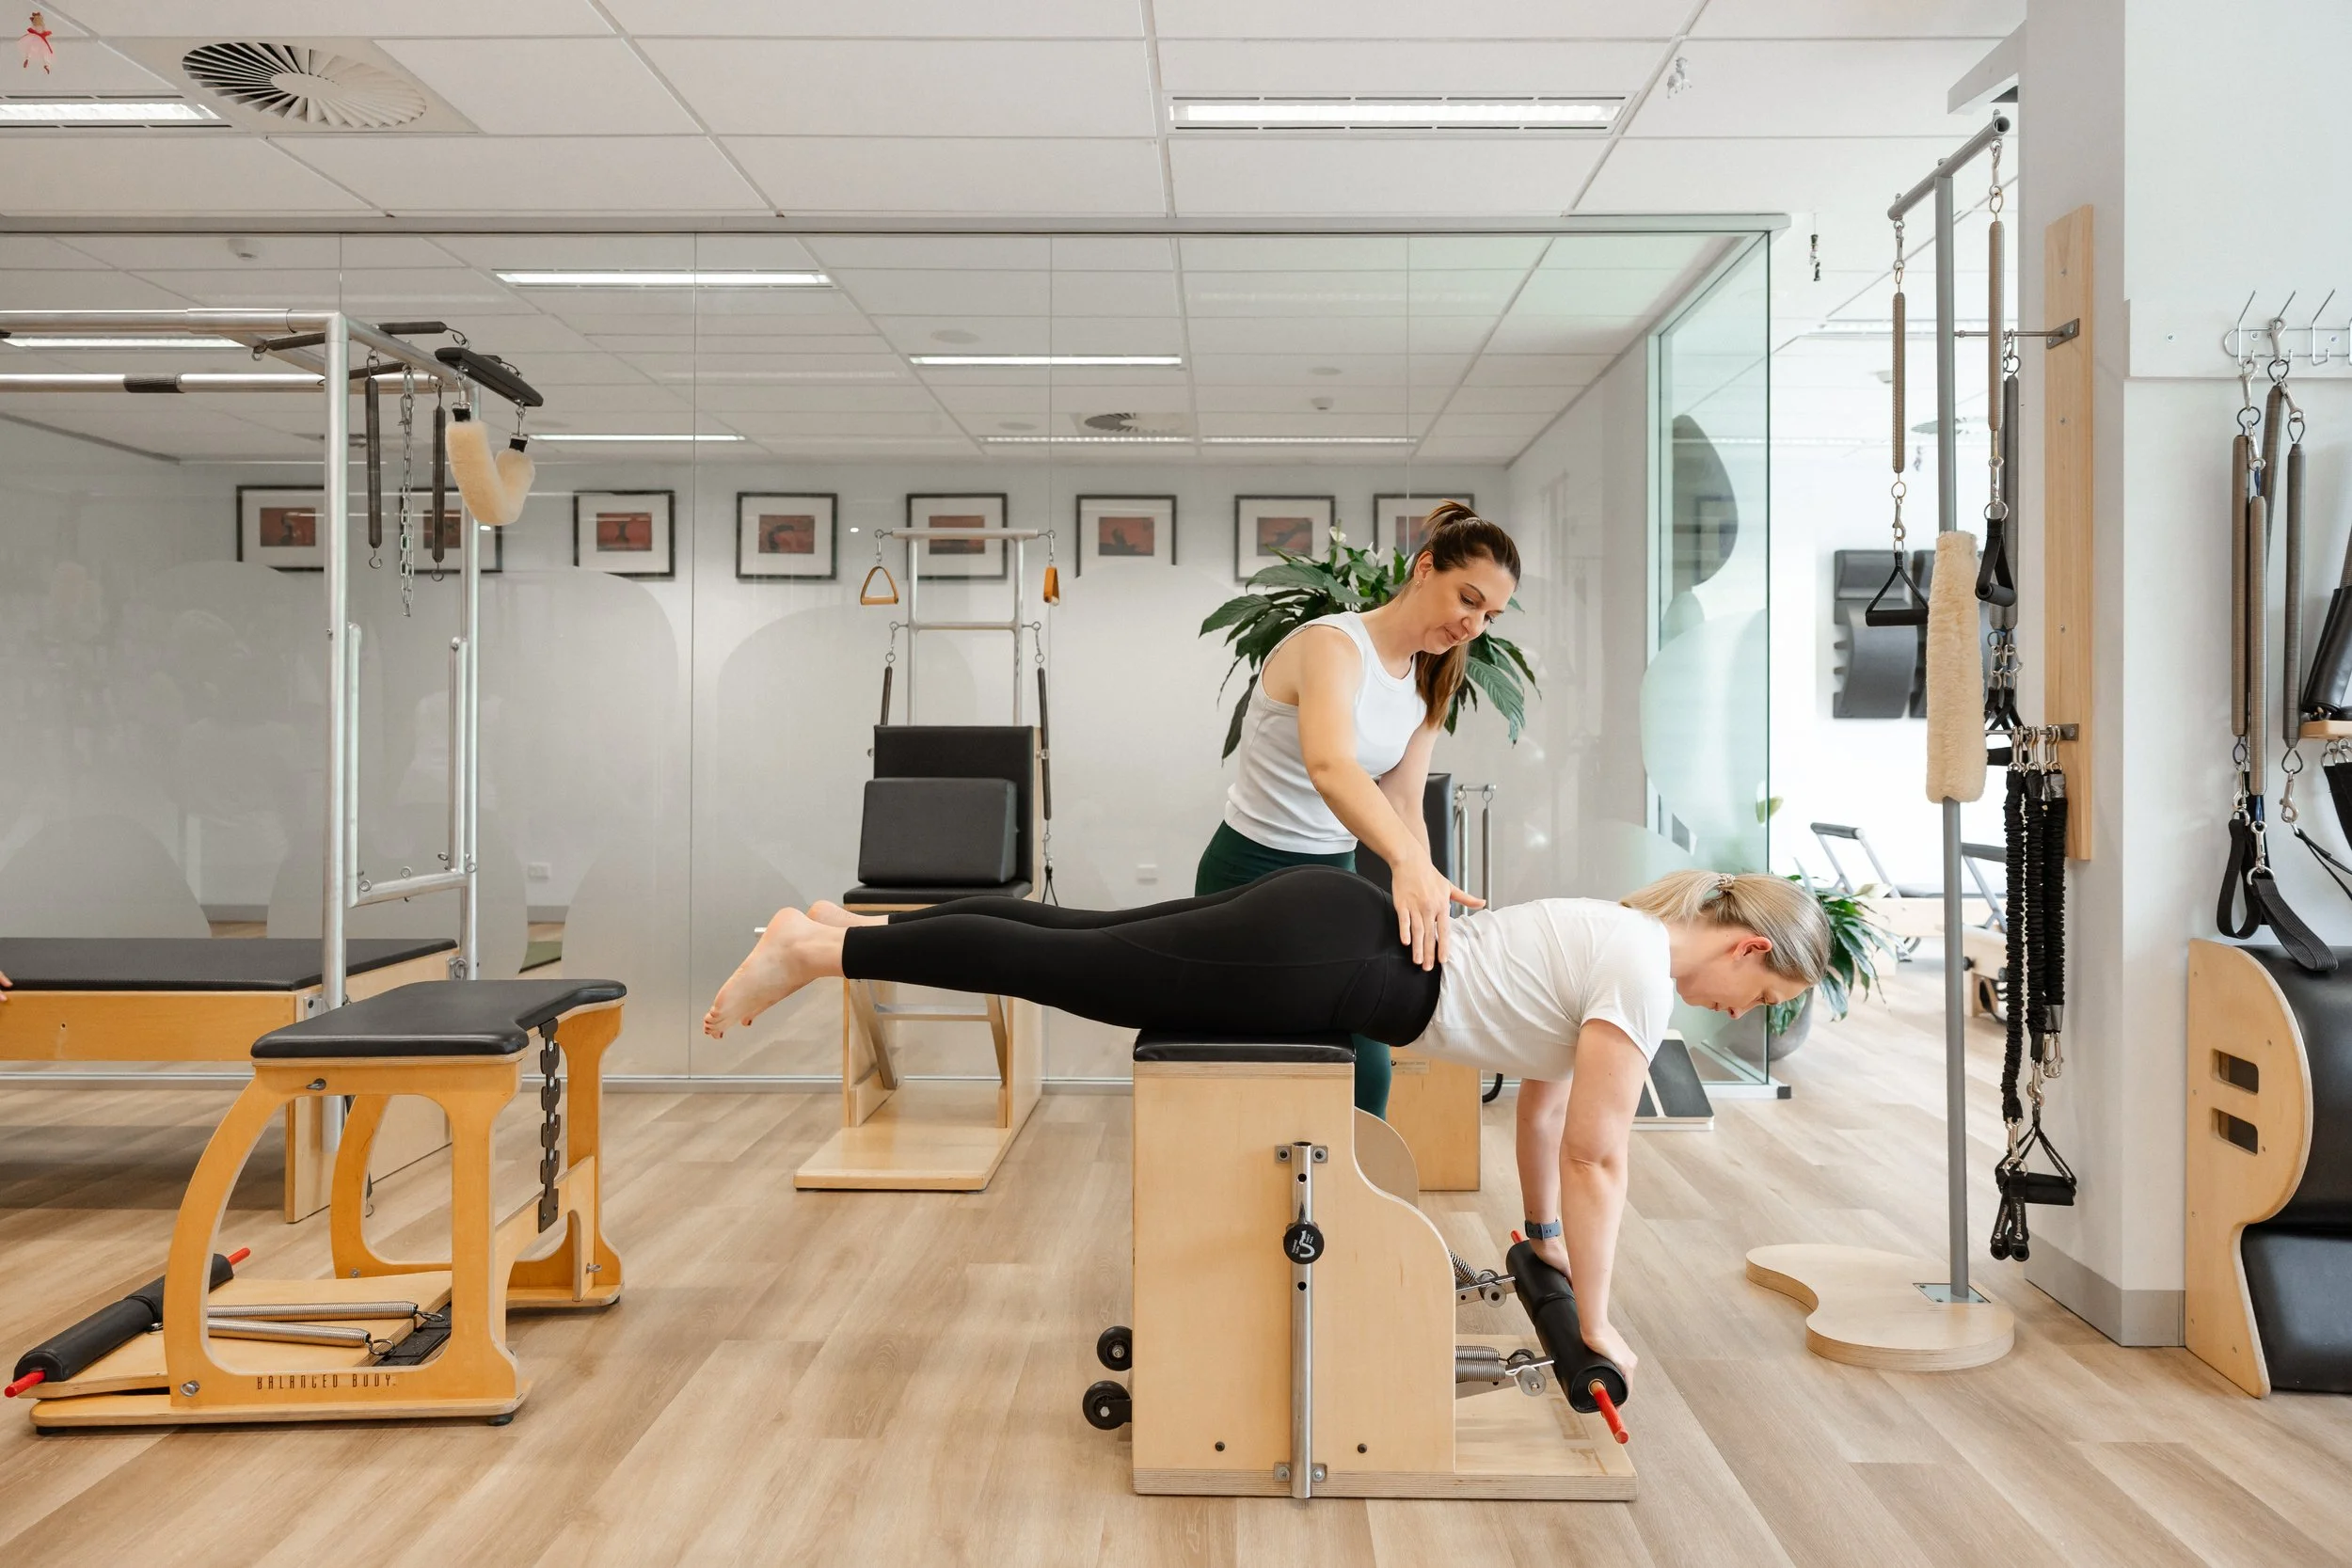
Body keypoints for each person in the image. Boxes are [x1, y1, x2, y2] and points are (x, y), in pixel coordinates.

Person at [706, 865, 1827, 1379]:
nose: (1740, 1014)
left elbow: (1546, 1112)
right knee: (1066, 960)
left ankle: (846, 922)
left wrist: (1538, 1235)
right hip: (1323, 960)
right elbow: (1599, 1152)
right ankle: (826, 949)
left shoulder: (1620, 935)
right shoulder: (1639, 967)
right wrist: (1596, 1316)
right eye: (1761, 997)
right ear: (1744, 948)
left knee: (1073, 936)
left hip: (1328, 928)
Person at [1198, 499, 1522, 1119]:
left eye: (1490, 615)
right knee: (1259, 1064)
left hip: (1330, 879)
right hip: (1247, 876)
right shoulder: (1332, 646)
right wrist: (1406, 863)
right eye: (1468, 599)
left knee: (1368, 1060)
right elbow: (1332, 766)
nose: (1474, 625)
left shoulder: (1436, 676)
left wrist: (1425, 890)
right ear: (1425, 567)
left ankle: (1350, 1201)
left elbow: (1403, 797)